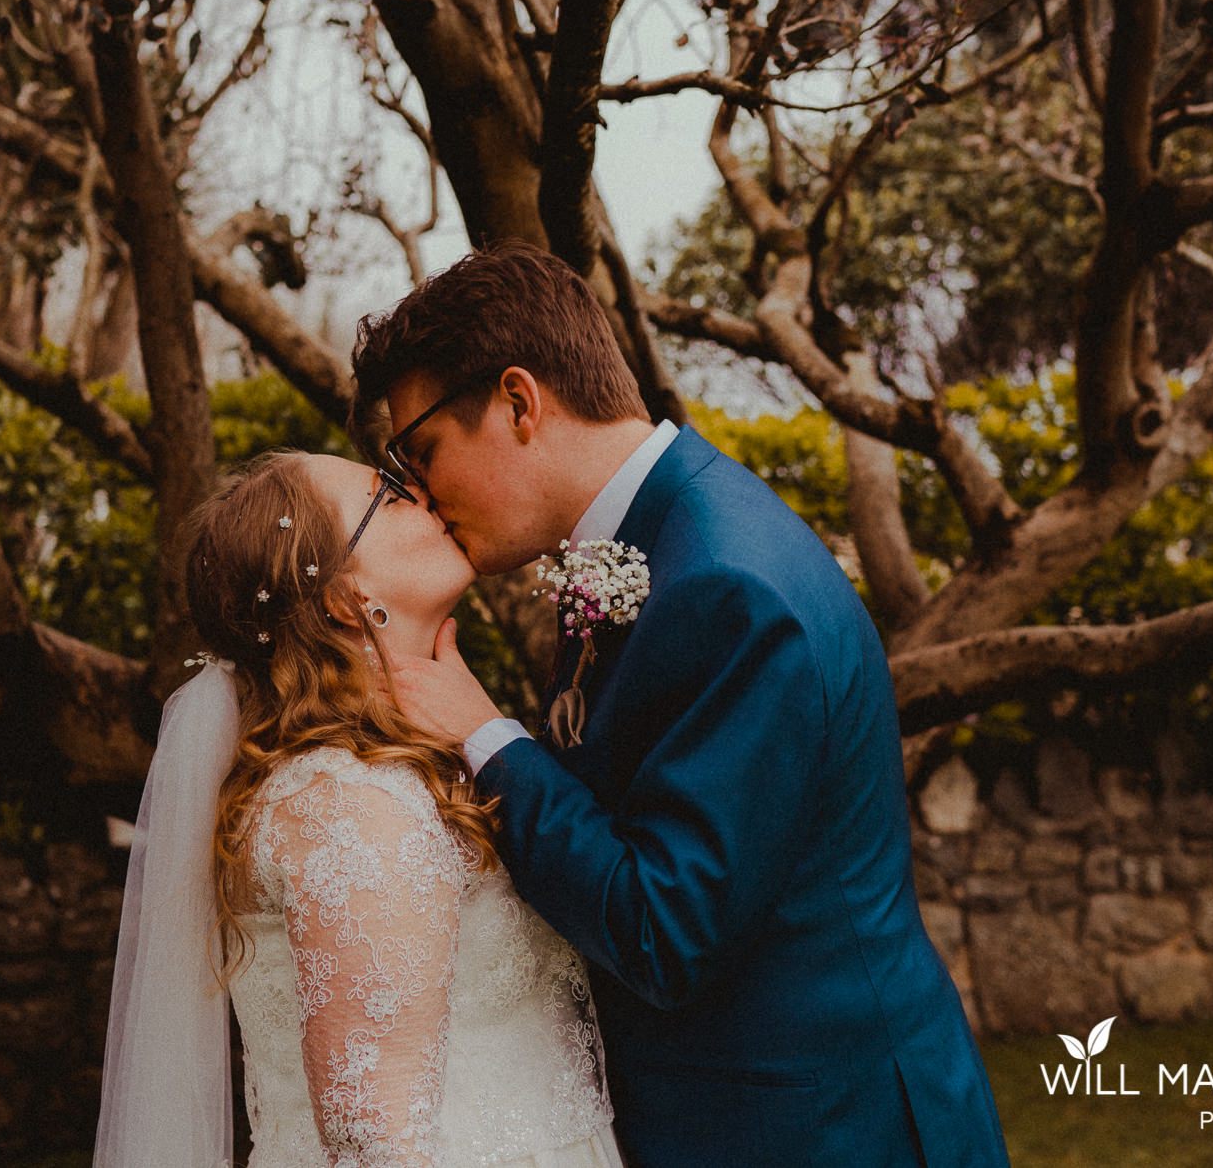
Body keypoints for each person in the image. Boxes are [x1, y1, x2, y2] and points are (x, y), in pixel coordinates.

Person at [352, 241, 1010, 1168]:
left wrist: (484, 734)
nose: (418, 492)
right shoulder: (654, 543)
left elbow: (666, 929)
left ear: (517, 401)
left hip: (816, 1130)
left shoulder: (725, 586)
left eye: (421, 450)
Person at [93, 449, 623, 1168]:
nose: (428, 495)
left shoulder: (388, 771)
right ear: (348, 599)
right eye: (392, 496)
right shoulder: (349, 803)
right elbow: (376, 1142)